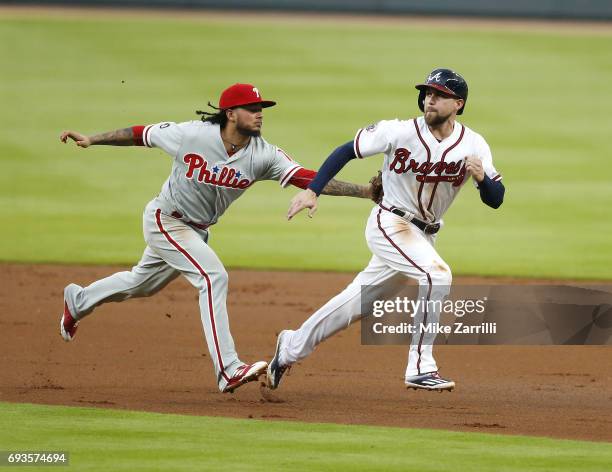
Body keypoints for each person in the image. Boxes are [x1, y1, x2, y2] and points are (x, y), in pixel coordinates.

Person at [59, 83, 378, 394]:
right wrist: (92, 139)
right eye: (252, 109)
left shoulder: (262, 154)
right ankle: (228, 369)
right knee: (213, 277)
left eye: (261, 109)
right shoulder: (191, 135)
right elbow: (140, 134)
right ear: (230, 114)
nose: (259, 114)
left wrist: (363, 192)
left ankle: (80, 300)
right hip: (165, 220)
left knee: (142, 283)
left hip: (196, 230)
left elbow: (306, 178)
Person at [267, 69, 505, 392]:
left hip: (423, 235)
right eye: (428, 93)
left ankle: (290, 346)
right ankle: (421, 365)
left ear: (458, 104)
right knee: (437, 274)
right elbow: (345, 150)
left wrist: (482, 179)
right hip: (389, 223)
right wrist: (313, 190)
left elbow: (496, 199)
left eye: (439, 95)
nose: (430, 99)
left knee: (356, 303)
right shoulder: (398, 131)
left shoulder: (474, 145)